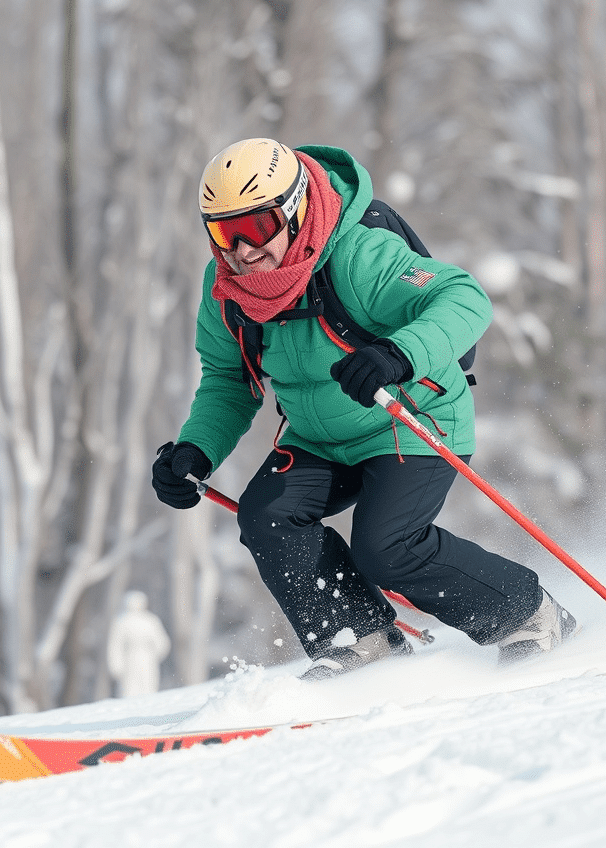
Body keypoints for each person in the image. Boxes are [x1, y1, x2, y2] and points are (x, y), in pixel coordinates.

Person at [152, 138, 576, 681]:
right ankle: (360, 638)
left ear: (296, 208)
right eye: (221, 231)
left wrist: (398, 354)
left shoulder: (358, 257)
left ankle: (528, 616)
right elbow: (230, 380)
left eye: (255, 228)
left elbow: (466, 297)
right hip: (318, 437)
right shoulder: (228, 291)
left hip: (410, 420)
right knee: (268, 517)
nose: (241, 250)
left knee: (387, 547)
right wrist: (196, 449)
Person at [106, 591, 172, 697]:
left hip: (145, 658)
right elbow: (115, 646)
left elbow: (162, 642)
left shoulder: (150, 620)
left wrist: (155, 655)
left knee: (148, 687)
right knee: (130, 689)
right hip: (132, 659)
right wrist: (116, 665)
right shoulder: (122, 621)